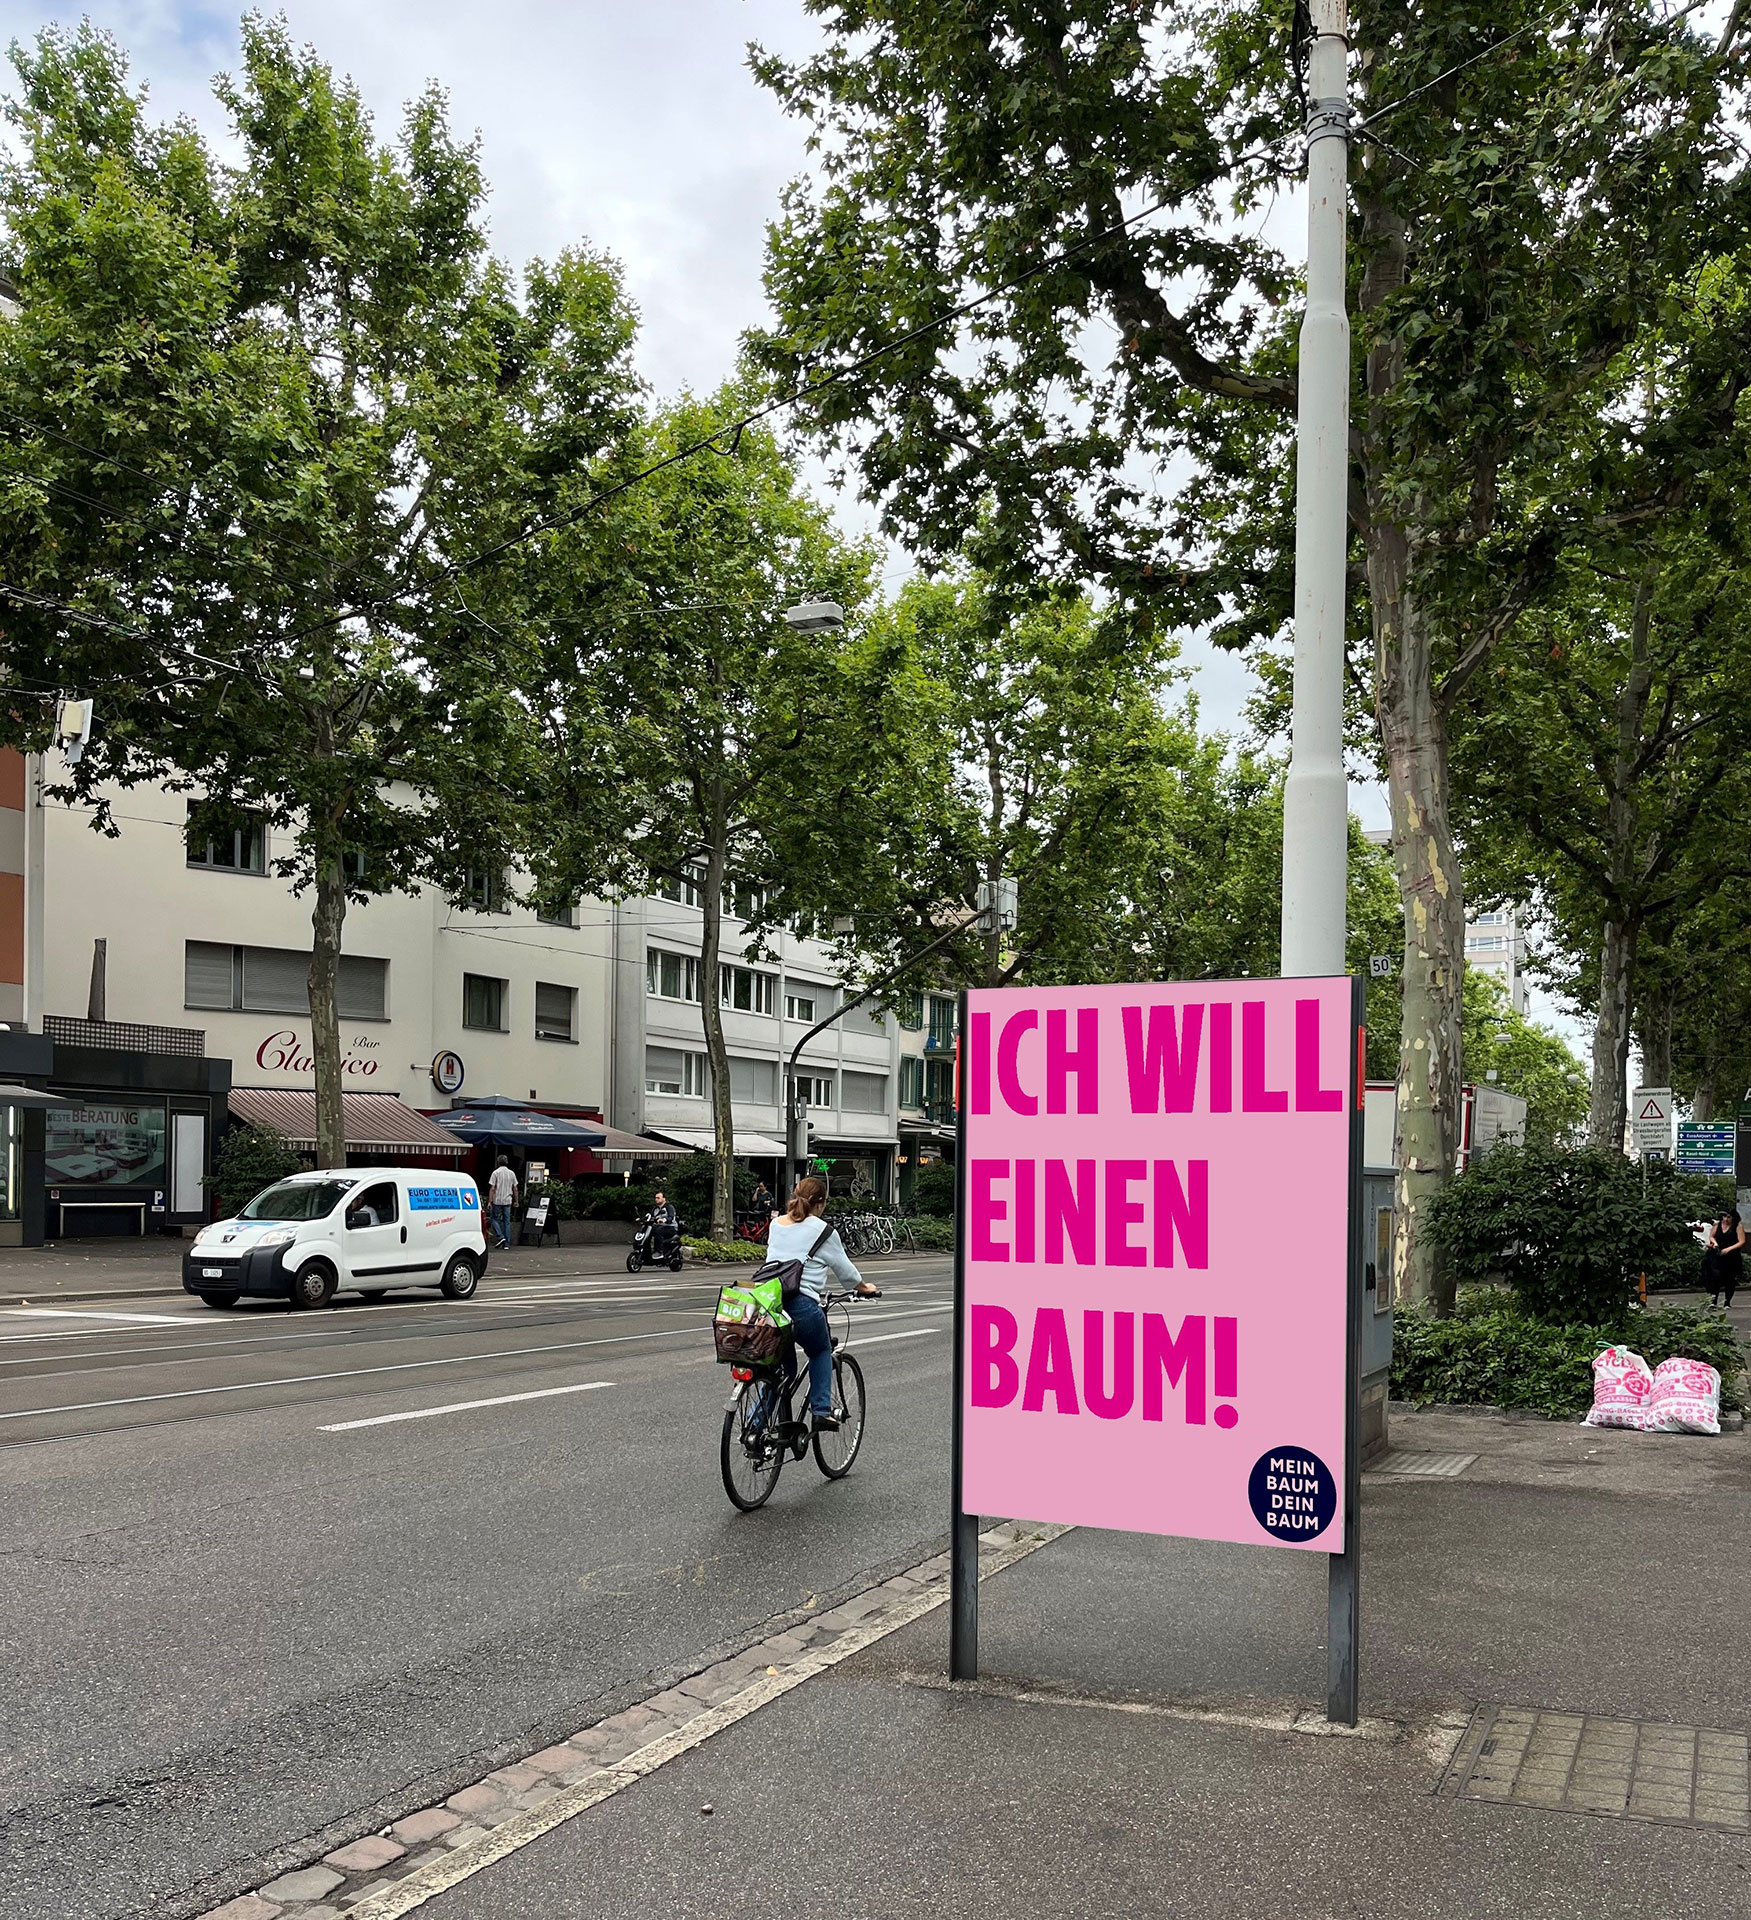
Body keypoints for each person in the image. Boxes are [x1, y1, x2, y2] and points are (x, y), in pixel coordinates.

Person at [765, 1176, 881, 1432]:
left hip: (769, 1305)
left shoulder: (776, 1224)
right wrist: (864, 1288)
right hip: (802, 1306)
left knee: (781, 1371)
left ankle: (756, 1426)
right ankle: (821, 1411)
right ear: (820, 1204)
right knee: (820, 1350)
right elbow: (846, 1273)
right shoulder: (824, 1231)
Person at [1703, 1207, 1746, 1308]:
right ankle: (1713, 1302)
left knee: (1729, 1279)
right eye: (1724, 1217)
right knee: (1714, 1278)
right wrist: (1714, 1243)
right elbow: (1711, 1236)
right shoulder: (1717, 1225)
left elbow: (1741, 1241)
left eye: (1729, 1217)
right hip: (1717, 1253)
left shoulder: (1737, 1227)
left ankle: (1727, 1301)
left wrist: (1728, 1249)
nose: (1726, 1220)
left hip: (1731, 1256)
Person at [487, 1155, 518, 1253]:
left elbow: (492, 1188)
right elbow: (515, 1188)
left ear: (498, 1162)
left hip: (497, 1200)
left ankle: (500, 1236)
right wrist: (516, 1201)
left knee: (494, 1219)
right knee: (507, 1222)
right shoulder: (511, 1173)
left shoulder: (495, 1173)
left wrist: (489, 1201)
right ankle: (507, 1244)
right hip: (508, 1200)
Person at [650, 1189, 680, 1261]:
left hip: (670, 1227)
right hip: (660, 1227)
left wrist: (664, 1220)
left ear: (664, 1199)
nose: (656, 1199)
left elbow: (671, 1217)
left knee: (658, 1231)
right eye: (655, 1198)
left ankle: (659, 1252)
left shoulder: (669, 1207)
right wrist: (642, 1219)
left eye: (658, 1198)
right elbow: (650, 1216)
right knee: (650, 1229)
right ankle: (649, 1250)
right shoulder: (655, 1208)